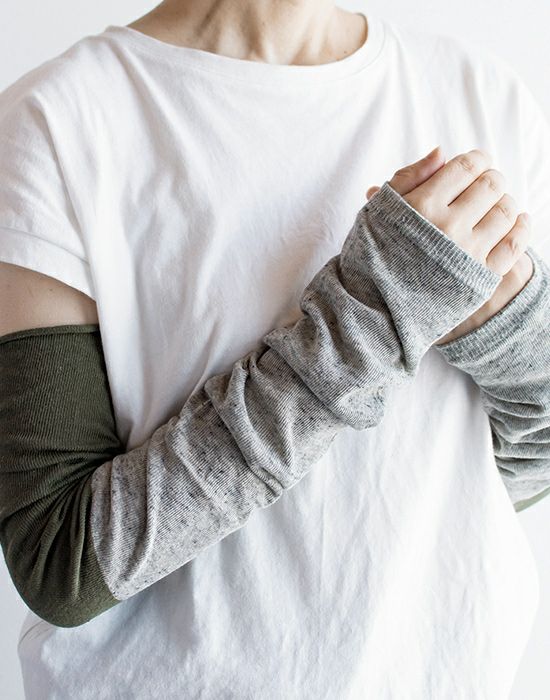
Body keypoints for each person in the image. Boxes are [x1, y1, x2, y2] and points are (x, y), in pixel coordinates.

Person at [0, 1, 549, 697]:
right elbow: (61, 558)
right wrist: (377, 308)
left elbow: (487, 472)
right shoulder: (55, 124)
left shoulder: (485, 94)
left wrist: (514, 334)